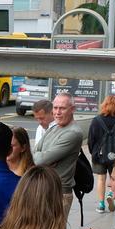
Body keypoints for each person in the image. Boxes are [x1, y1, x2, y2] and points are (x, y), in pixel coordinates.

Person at [33, 92, 84, 220]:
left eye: (62, 108)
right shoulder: (53, 128)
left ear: (72, 109)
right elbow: (35, 153)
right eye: (55, 108)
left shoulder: (73, 132)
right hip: (43, 188)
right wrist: (43, 157)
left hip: (59, 193)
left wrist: (42, 157)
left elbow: (40, 160)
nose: (57, 112)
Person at [88, 95, 115, 213]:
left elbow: (91, 140)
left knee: (101, 179)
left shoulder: (96, 120)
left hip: (99, 155)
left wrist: (93, 152)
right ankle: (111, 193)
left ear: (104, 105)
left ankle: (101, 205)